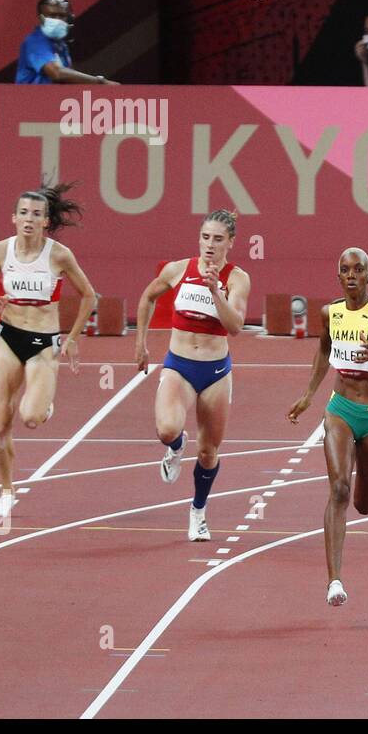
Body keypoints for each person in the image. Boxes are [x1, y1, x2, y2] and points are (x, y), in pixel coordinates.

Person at [287, 248, 368, 606]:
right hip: (339, 410)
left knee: (363, 505)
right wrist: (309, 395)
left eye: (358, 270)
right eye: (344, 270)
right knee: (339, 489)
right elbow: (324, 352)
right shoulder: (331, 313)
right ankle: (334, 581)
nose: (351, 275)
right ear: (338, 277)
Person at [0, 182, 97, 517]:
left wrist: (72, 337)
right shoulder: (1, 251)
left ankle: (44, 405)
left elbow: (89, 295)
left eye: (37, 214)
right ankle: (6, 491)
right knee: (0, 424)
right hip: (8, 338)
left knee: (30, 417)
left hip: (43, 343)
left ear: (45, 221)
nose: (29, 219)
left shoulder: (58, 255)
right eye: (24, 213)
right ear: (13, 218)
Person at [134, 210, 250, 542]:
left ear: (230, 243)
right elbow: (147, 298)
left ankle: (198, 511)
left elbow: (236, 326)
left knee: (208, 452)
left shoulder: (237, 278)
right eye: (205, 237)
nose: (209, 245)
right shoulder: (177, 270)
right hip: (179, 366)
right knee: (166, 428)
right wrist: (141, 343)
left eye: (217, 239)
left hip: (215, 372)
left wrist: (216, 292)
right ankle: (175, 445)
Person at [15, 0, 119, 85]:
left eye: (62, 15)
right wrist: (101, 82)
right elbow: (56, 73)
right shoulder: (35, 41)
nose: (57, 20)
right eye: (52, 15)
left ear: (69, 19)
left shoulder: (61, 45)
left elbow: (69, 80)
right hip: (30, 101)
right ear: (41, 18)